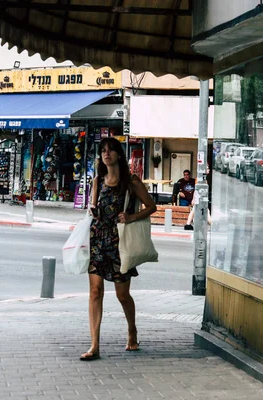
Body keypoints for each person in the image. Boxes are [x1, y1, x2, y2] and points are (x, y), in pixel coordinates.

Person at [81, 137, 157, 361]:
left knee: (122, 295)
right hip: (98, 240)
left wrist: (132, 216)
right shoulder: (97, 181)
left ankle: (132, 329)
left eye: (111, 150)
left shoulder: (131, 182)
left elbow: (152, 206)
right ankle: (94, 345)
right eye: (103, 151)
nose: (106, 154)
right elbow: (94, 207)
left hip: (119, 243)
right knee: (95, 292)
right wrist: (93, 211)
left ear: (119, 155)